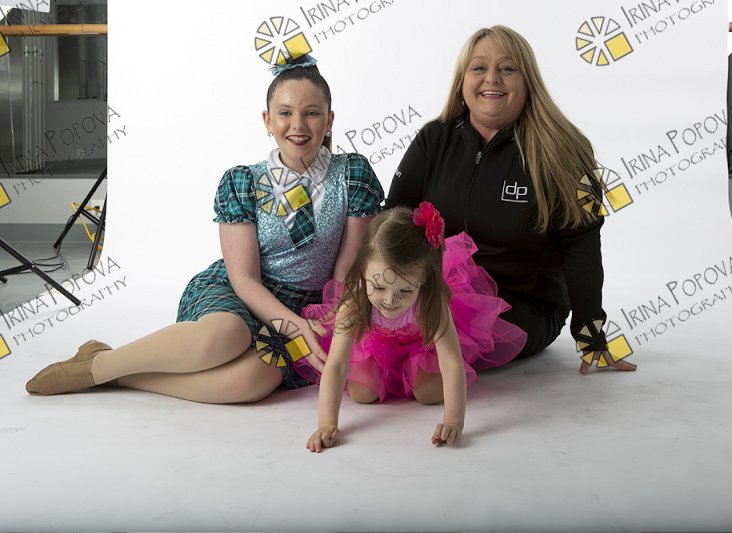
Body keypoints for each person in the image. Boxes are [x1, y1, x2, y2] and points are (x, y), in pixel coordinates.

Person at [25, 55, 385, 402]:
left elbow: (345, 271)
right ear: (267, 120)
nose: (298, 125)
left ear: (329, 119)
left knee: (256, 379)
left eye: (312, 113)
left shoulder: (352, 175)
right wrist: (288, 324)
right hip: (241, 290)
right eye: (285, 113)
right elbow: (244, 277)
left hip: (309, 308)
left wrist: (328, 322)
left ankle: (119, 374)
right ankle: (98, 367)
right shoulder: (243, 181)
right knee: (226, 335)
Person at [385, 25, 636, 374]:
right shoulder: (433, 138)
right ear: (461, 80)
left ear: (527, 80)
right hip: (435, 292)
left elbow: (582, 244)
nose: (492, 78)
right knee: (390, 325)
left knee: (434, 334)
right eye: (479, 68)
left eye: (507, 68)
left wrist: (590, 336)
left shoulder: (564, 149)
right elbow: (392, 221)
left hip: (521, 306)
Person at [300, 203, 527, 452]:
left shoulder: (431, 302)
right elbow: (336, 365)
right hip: (377, 346)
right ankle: (386, 374)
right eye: (379, 287)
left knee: (429, 394)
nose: (389, 300)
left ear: (424, 282)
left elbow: (451, 362)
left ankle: (413, 374)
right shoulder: (354, 301)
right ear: (362, 269)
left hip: (420, 347)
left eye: (405, 291)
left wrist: (454, 422)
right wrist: (327, 423)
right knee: (362, 394)